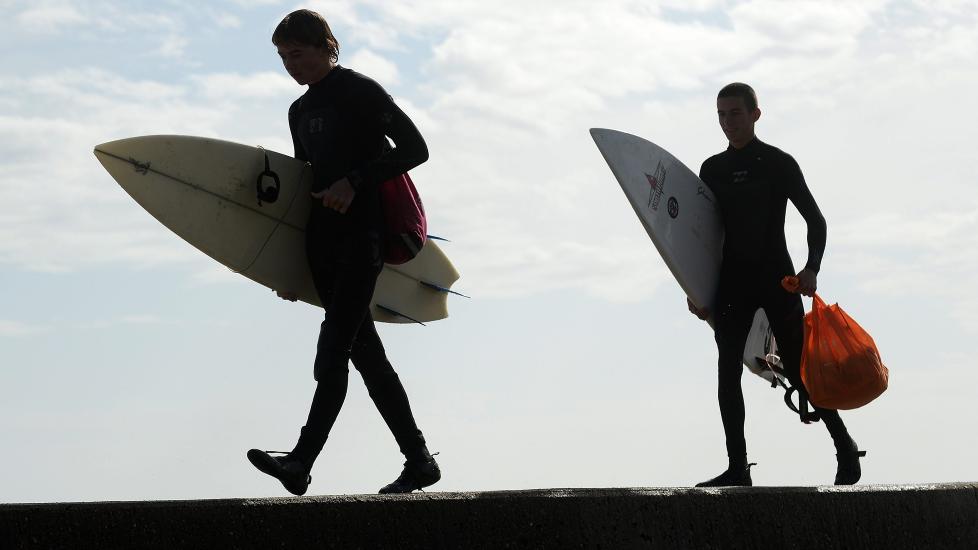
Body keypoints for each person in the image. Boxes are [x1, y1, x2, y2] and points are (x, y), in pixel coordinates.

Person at [247, 9, 440, 495]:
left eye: (299, 53)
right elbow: (301, 184)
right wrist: (286, 271)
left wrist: (356, 181)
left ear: (326, 47)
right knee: (367, 357)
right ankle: (419, 460)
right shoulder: (299, 112)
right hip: (321, 242)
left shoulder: (361, 92)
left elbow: (416, 148)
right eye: (283, 57)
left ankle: (300, 461)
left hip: (362, 238)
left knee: (332, 352)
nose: (292, 65)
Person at [688, 82, 864, 487]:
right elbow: (700, 238)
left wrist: (812, 269)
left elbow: (816, 221)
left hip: (776, 279)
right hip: (732, 283)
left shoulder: (777, 163)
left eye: (734, 113)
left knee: (802, 371)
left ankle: (845, 446)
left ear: (755, 114)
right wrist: (696, 291)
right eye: (720, 114)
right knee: (726, 371)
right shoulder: (712, 170)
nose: (727, 122)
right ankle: (737, 467)